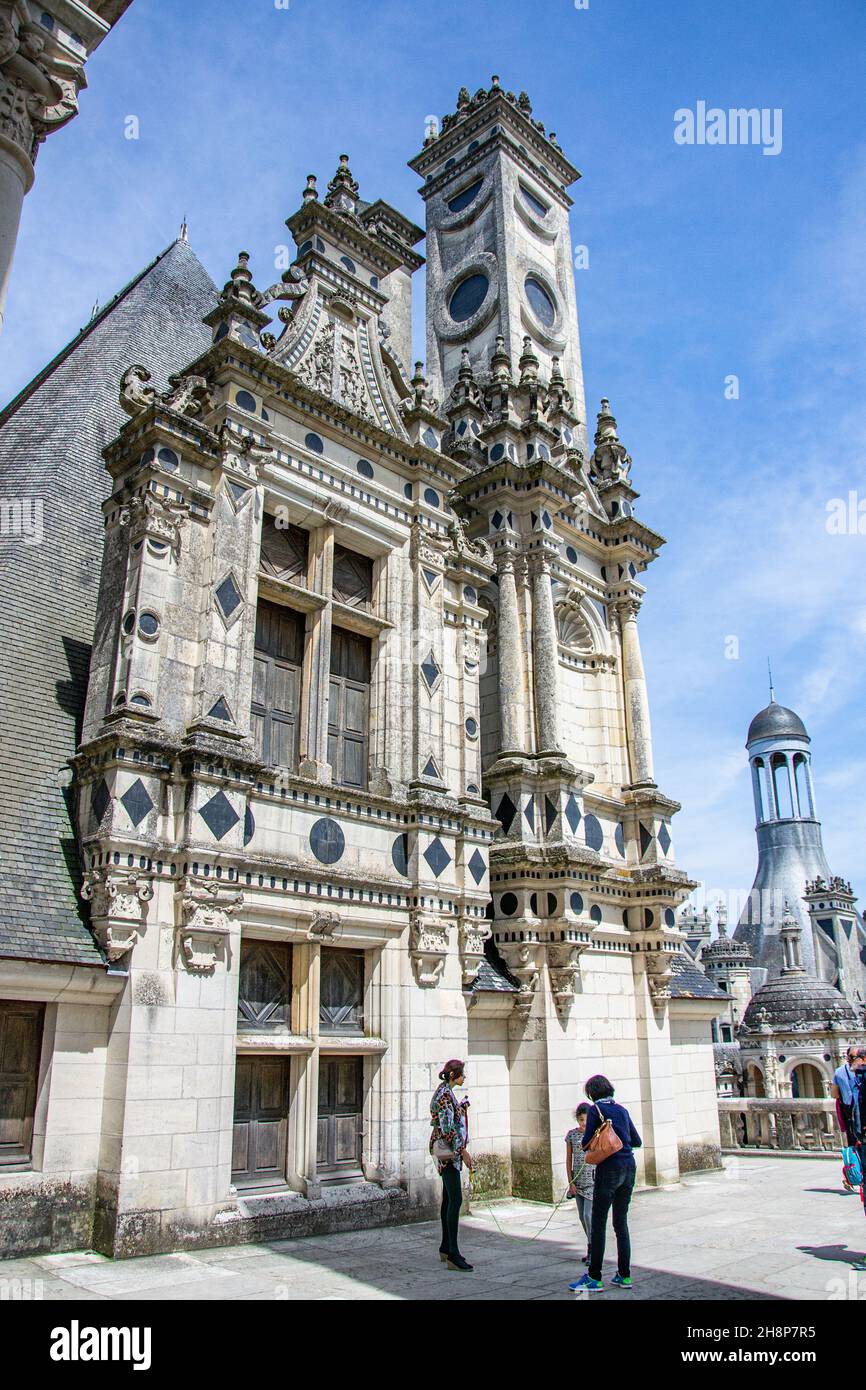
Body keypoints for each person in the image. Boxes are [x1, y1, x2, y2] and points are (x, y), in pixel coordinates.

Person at [570, 1075, 642, 1293]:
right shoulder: (621, 1110)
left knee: (599, 1223)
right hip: (629, 1167)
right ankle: (624, 1275)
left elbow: (585, 1143)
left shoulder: (595, 1111)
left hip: (608, 1169)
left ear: (592, 1094)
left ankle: (594, 1277)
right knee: (621, 1223)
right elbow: (636, 1141)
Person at [429, 1059, 474, 1271]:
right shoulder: (445, 1096)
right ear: (454, 1075)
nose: (464, 1077)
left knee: (448, 1199)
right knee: (455, 1199)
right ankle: (453, 1254)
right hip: (449, 1155)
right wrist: (463, 1152)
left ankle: (446, 1247)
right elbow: (447, 1129)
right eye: (462, 1074)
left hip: (449, 1153)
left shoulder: (445, 1091)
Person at [832, 1046, 866, 1191]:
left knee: (854, 1149)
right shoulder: (860, 1073)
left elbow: (834, 1094)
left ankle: (854, 1176)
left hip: (850, 1117)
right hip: (857, 1119)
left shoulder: (839, 1072)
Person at [565, 1102, 594, 1266]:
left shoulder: (595, 1134)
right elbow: (569, 1159)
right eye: (581, 1119)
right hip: (578, 1181)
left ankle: (593, 1248)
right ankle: (590, 1245)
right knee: (582, 1217)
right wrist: (571, 1182)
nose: (584, 1123)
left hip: (592, 1181)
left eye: (587, 1120)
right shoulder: (572, 1135)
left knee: (588, 1215)